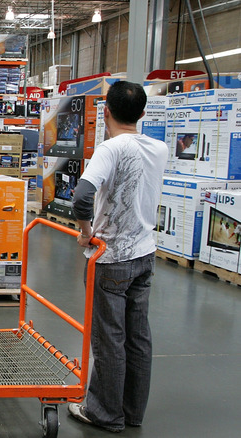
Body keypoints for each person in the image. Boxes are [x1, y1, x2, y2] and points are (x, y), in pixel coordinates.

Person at [69, 81, 168, 433]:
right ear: (143, 113)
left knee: (109, 337)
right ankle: (131, 411)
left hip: (111, 258)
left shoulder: (111, 148)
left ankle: (104, 413)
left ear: (105, 111)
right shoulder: (159, 148)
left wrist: (85, 231)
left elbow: (82, 197)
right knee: (138, 336)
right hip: (145, 254)